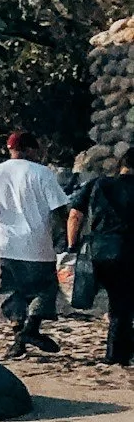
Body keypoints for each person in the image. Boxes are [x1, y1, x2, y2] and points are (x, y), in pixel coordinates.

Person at [0, 131, 71, 359]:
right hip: (37, 243)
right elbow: (59, 210)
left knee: (7, 293)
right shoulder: (42, 173)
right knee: (43, 289)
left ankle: (18, 340)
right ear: (31, 149)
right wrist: (65, 237)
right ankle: (31, 329)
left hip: (2, 245)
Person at [68, 155, 134, 366]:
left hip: (98, 251)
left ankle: (122, 349)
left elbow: (75, 215)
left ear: (121, 165)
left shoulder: (97, 184)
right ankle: (116, 355)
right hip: (127, 251)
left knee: (118, 302)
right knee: (121, 304)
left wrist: (71, 245)